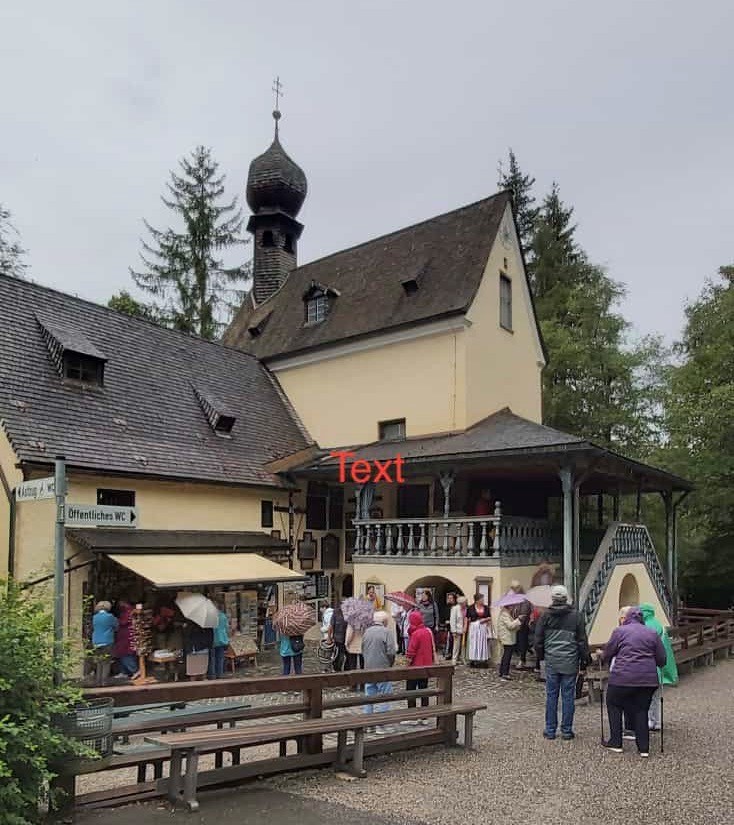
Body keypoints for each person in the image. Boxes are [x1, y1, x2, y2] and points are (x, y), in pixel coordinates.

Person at [597, 607, 667, 757]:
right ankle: (643, 748)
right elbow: (662, 659)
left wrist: (601, 656)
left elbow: (609, 653)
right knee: (641, 710)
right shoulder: (652, 633)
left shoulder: (620, 631)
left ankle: (616, 742)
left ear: (627, 618)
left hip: (622, 678)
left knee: (614, 704)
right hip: (647, 680)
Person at [534, 584, 590, 741]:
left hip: (551, 660)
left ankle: (550, 729)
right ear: (566, 598)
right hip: (570, 661)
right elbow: (581, 641)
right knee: (568, 696)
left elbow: (538, 641)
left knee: (551, 696)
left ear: (553, 598)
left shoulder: (545, 616)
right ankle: (566, 730)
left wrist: (542, 657)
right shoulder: (577, 616)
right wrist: (585, 660)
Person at [639, 602, 678, 732]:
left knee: (645, 696)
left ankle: (650, 720)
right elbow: (665, 648)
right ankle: (657, 721)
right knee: (655, 696)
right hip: (658, 667)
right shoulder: (660, 626)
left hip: (646, 667)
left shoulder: (643, 627)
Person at [362, 610, 397, 731]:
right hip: (382, 668)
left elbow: (363, 649)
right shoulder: (386, 632)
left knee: (369, 695)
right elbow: (391, 652)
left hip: (368, 668)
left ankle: (368, 723)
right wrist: (390, 664)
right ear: (385, 621)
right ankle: (381, 724)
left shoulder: (367, 632)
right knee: (385, 695)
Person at [405, 610, 434, 715]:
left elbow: (411, 652)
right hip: (426, 666)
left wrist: (406, 664)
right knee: (423, 690)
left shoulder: (416, 634)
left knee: (411, 691)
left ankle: (412, 715)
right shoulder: (427, 631)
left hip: (415, 667)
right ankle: (424, 715)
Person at [91, 600, 118, 686]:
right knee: (106, 662)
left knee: (99, 662)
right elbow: (116, 626)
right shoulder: (110, 617)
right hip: (107, 641)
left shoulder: (94, 617)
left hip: (96, 641)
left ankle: (98, 681)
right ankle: (104, 681)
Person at [509, 581, 532, 668]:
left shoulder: (524, 599)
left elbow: (524, 612)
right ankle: (518, 658)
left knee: (522, 642)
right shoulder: (514, 598)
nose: (513, 590)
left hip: (522, 625)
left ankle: (522, 660)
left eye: (514, 588)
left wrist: (519, 623)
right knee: (516, 643)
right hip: (515, 623)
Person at [113, 599, 138, 678]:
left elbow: (124, 622)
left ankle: (135, 670)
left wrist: (116, 621)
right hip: (122, 636)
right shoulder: (125, 611)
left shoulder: (129, 611)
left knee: (126, 654)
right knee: (121, 654)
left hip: (126, 637)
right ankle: (124, 672)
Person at [466, 593, 492, 668]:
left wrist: (485, 619)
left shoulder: (486, 608)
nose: (483, 600)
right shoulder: (470, 608)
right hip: (474, 628)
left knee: (483, 643)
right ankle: (473, 660)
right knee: (474, 643)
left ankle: (483, 659)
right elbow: (467, 618)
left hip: (483, 627)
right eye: (481, 599)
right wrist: (465, 627)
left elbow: (489, 617)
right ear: (477, 600)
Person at [497, 605, 522, 681]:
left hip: (508, 637)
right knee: (507, 655)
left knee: (506, 655)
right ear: (509, 607)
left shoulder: (506, 614)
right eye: (512, 606)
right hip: (507, 638)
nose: (513, 608)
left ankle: (502, 671)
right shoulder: (505, 614)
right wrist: (518, 619)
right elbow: (510, 625)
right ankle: (505, 673)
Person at [208, 602, 229, 679]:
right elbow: (226, 628)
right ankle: (219, 674)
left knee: (212, 658)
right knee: (220, 658)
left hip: (213, 640)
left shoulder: (209, 617)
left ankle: (212, 675)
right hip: (222, 640)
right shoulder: (223, 616)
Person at [345, 621, 365, 691]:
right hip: (364, 645)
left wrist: (346, 643)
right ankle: (363, 685)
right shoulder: (367, 619)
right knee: (363, 667)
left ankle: (353, 685)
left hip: (353, 645)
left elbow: (350, 633)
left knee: (353, 666)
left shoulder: (352, 620)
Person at [329, 603, 348, 672]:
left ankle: (346, 670)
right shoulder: (336, 612)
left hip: (348, 639)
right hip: (338, 639)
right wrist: (329, 638)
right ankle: (337, 669)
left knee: (348, 656)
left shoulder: (350, 613)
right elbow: (331, 625)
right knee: (339, 656)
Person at [450, 595, 468, 664]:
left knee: (463, 646)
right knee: (456, 646)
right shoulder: (455, 608)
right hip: (457, 630)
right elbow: (452, 620)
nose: (466, 603)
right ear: (461, 603)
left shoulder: (466, 608)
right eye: (465, 602)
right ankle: (454, 660)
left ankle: (463, 658)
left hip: (464, 629)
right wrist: (453, 631)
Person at [443, 593, 456, 658]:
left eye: (451, 598)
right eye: (449, 598)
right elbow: (445, 616)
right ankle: (448, 654)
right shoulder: (447, 607)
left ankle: (453, 654)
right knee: (449, 640)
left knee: (454, 641)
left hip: (455, 627)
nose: (449, 599)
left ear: (454, 599)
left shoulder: (456, 607)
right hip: (448, 627)